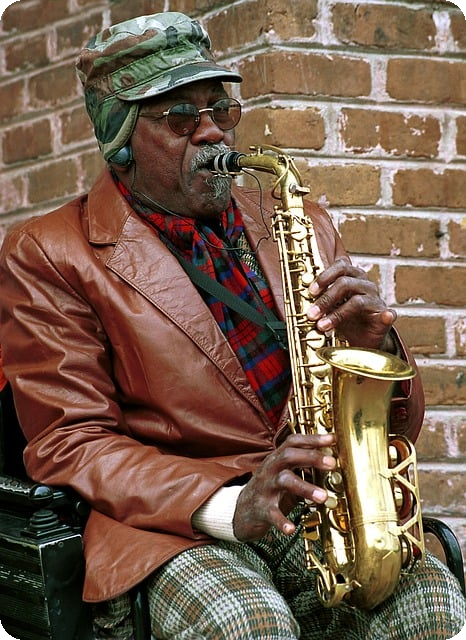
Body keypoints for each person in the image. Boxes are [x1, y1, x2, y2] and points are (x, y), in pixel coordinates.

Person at [0, 11, 464, 640]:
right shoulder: (49, 251)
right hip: (173, 526)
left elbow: (390, 428)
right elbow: (70, 443)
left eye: (221, 109)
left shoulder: (299, 219)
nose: (213, 131)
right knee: (246, 621)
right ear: (120, 140)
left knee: (436, 608)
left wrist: (373, 342)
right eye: (181, 119)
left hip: (322, 508)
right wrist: (228, 506)